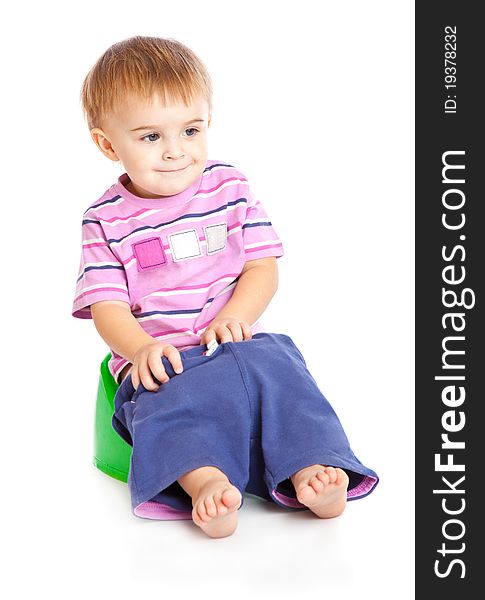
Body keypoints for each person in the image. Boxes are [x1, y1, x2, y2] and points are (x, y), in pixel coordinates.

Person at [73, 36, 378, 538]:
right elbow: (106, 305)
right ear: (109, 144)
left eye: (190, 130)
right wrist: (141, 347)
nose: (175, 152)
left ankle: (312, 467)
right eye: (150, 137)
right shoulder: (105, 220)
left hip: (239, 343)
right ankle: (205, 482)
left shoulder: (229, 188)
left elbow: (262, 266)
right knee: (166, 408)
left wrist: (237, 315)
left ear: (206, 123)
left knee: (286, 378)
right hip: (166, 357)